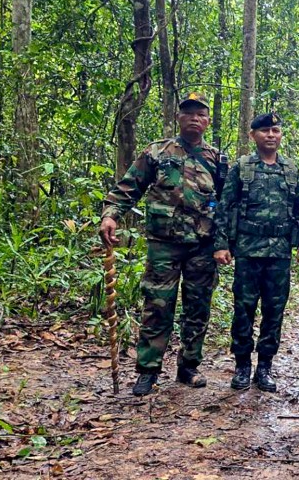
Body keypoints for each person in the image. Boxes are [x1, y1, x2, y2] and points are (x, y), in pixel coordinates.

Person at [99, 92, 228, 396]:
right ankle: (148, 370)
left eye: (201, 114)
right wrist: (111, 215)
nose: (194, 118)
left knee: (197, 308)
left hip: (202, 245)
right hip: (164, 244)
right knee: (157, 307)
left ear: (208, 120)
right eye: (188, 113)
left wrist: (224, 243)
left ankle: (189, 366)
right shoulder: (157, 152)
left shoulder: (218, 160)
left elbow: (227, 205)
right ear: (178, 117)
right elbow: (127, 188)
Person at [212, 112, 299, 392]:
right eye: (265, 131)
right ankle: (242, 365)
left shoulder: (290, 169)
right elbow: (224, 206)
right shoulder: (243, 168)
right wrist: (221, 244)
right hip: (248, 251)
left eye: (276, 130)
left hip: (278, 254)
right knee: (244, 309)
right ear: (253, 135)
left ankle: (265, 367)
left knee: (274, 311)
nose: (271, 135)